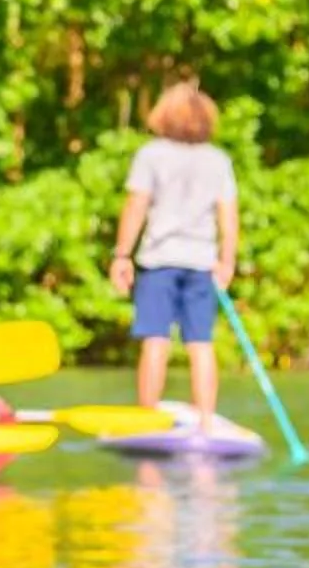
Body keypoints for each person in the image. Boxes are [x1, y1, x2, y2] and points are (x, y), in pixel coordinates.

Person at [108, 81, 254, 439]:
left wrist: (122, 254)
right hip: (201, 262)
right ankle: (205, 420)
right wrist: (227, 260)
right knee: (200, 343)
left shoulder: (152, 154)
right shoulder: (218, 160)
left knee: (155, 339)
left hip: (159, 260)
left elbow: (136, 205)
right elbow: (228, 215)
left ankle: (147, 417)